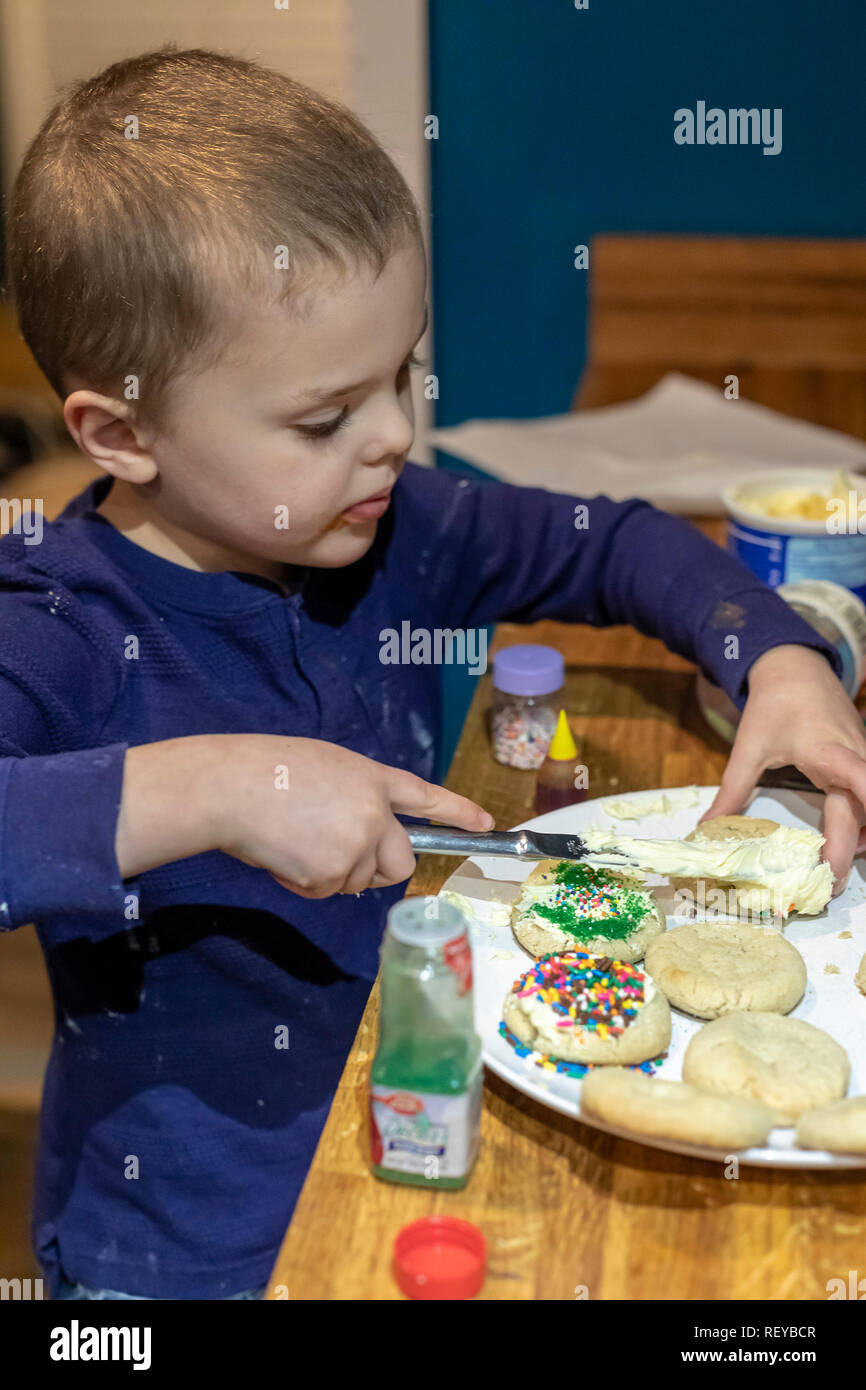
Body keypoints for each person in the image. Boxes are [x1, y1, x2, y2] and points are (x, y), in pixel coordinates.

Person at [3, 46, 865, 1300]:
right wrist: (206, 789)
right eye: (324, 416)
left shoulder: (392, 520)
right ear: (121, 432)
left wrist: (778, 654)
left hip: (419, 1131)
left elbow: (612, 542)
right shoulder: (55, 623)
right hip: (180, 1246)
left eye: (399, 374)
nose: (397, 434)